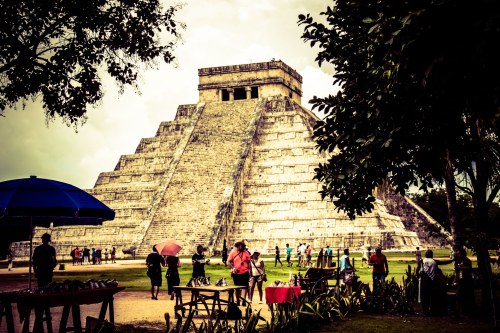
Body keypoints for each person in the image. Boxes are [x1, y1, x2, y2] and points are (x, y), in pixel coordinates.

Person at [454, 247, 474, 316]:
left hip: (466, 280)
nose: (458, 255)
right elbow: (457, 270)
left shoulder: (466, 260)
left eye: (459, 254)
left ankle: (464, 312)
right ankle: (460, 311)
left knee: (464, 296)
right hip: (461, 280)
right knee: (459, 296)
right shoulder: (459, 261)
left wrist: (461, 267)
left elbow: (469, 268)